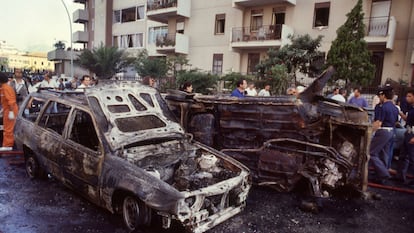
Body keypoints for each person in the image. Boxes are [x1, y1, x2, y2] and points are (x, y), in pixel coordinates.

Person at [370, 86, 399, 184]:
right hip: (391, 131)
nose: (379, 97)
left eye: (380, 95)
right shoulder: (395, 108)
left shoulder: (383, 107)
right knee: (384, 154)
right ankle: (381, 177)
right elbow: (395, 122)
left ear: (383, 95)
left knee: (371, 153)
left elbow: (378, 123)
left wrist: (369, 131)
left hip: (383, 131)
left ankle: (383, 173)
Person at [395, 89, 414, 185]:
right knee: (403, 155)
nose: (407, 98)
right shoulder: (411, 108)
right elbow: (408, 119)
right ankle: (400, 176)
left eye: (410, 96)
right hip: (408, 132)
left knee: (412, 157)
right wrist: (400, 114)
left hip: (412, 134)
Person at [0, 72, 18, 151]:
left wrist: (11, 112)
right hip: (8, 110)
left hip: (10, 110)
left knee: (8, 128)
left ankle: (8, 145)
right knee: (7, 128)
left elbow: (11, 101)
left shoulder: (6, 88)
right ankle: (7, 144)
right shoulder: (3, 88)